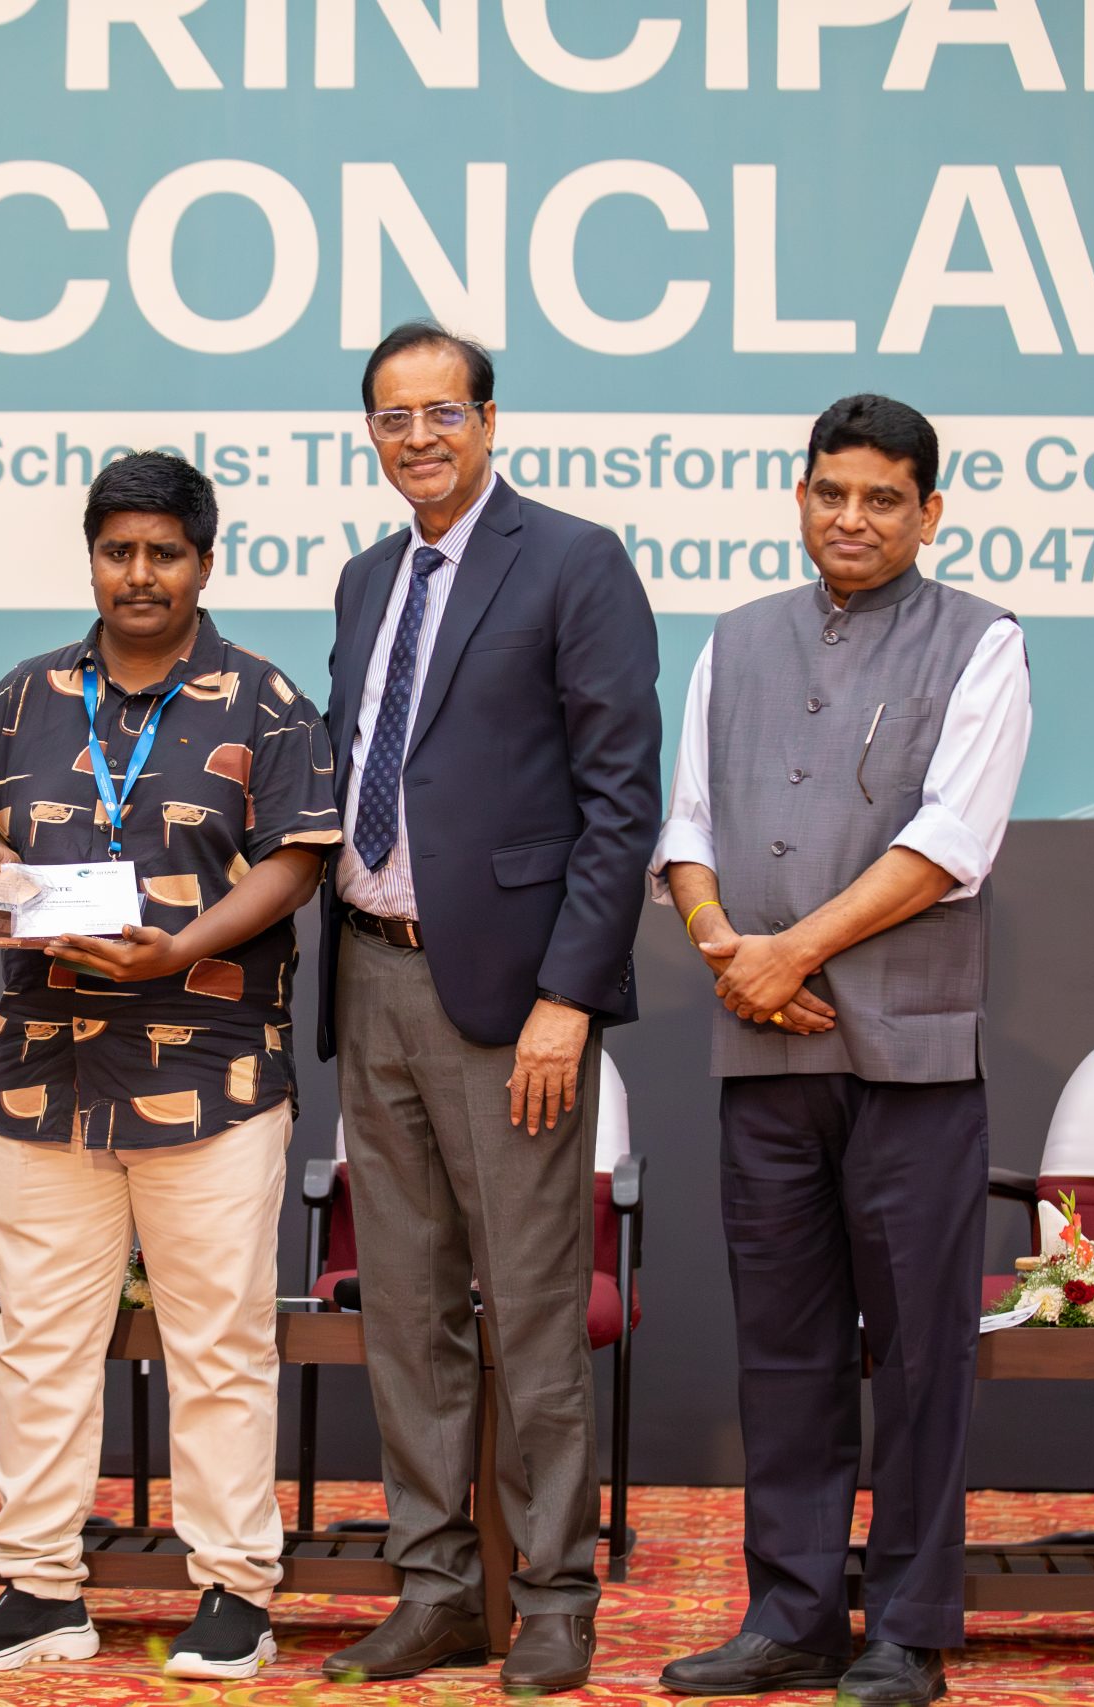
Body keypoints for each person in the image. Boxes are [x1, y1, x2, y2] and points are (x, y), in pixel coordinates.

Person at [0, 451, 341, 1682]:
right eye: (119, 551)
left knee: (217, 1344)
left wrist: (184, 948)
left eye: (164, 553)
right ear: (93, 559)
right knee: (39, 1341)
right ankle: (39, 1587)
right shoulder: (25, 695)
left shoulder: (263, 701)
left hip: (212, 1071)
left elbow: (298, 860)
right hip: (44, 1073)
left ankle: (233, 1592)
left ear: (204, 563)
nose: (139, 574)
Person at [652, 395, 1032, 1707]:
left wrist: (790, 952)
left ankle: (908, 1627)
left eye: (882, 498)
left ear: (930, 512)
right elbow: (687, 826)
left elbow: (951, 842)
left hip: (911, 1057)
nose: (851, 518)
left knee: (919, 1351)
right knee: (785, 1347)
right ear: (800, 496)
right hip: (764, 1051)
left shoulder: (981, 640)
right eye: (830, 492)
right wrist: (722, 943)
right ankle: (792, 1615)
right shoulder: (734, 638)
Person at [317, 323, 662, 1695]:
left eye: (442, 411)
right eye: (392, 417)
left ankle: (557, 1595)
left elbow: (619, 800)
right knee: (406, 1311)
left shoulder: (573, 561)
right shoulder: (365, 578)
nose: (418, 437)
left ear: (490, 419)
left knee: (528, 1310)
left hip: (513, 1000)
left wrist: (567, 996)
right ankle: (437, 1589)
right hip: (370, 973)